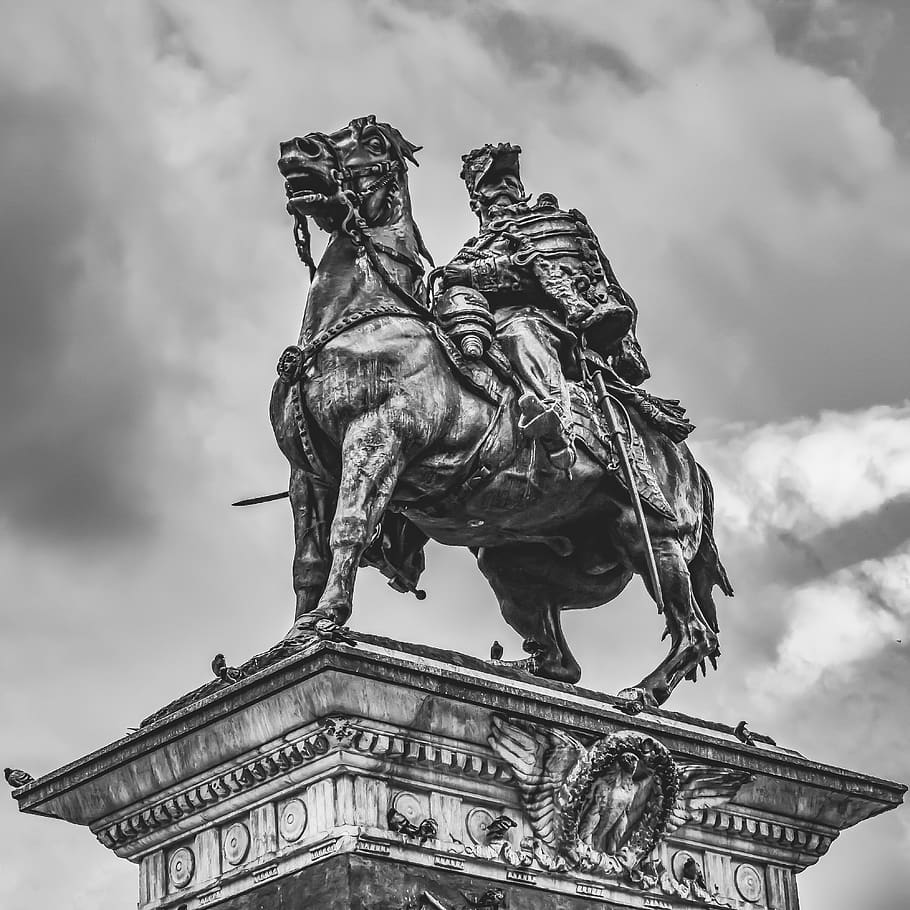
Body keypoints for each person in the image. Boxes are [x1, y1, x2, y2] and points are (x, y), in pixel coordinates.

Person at [438, 142, 646, 470]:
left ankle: (556, 419)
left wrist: (474, 273)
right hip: (481, 328)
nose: (505, 187)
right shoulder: (473, 247)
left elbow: (561, 276)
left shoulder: (552, 225)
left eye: (511, 181)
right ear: (478, 201)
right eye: (494, 183)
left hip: (553, 326)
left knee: (521, 330)